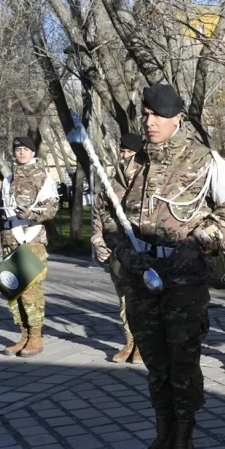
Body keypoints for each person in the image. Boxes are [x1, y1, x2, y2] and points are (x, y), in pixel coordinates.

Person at [107, 85, 225, 449]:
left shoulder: (204, 160)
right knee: (155, 363)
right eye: (145, 115)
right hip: (141, 277)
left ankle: (184, 438)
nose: (149, 123)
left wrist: (200, 243)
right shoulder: (132, 164)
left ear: (177, 118)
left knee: (183, 362)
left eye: (157, 116)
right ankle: (162, 435)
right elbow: (108, 212)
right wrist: (124, 252)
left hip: (183, 279)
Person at [0, 137, 59, 357]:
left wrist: (31, 214)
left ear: (32, 152)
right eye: (17, 149)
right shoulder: (8, 179)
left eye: (25, 149)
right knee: (14, 290)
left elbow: (52, 208)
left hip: (31, 238)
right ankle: (24, 335)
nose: (21, 153)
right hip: (10, 238)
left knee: (30, 289)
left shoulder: (43, 177)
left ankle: (36, 338)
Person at [91, 132, 144, 364]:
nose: (125, 157)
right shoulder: (110, 182)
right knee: (123, 298)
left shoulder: (143, 183)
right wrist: (97, 240)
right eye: (122, 152)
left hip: (138, 249)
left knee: (139, 298)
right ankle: (129, 342)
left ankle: (143, 344)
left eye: (130, 153)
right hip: (114, 250)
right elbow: (98, 211)